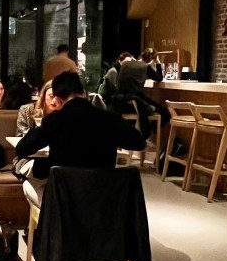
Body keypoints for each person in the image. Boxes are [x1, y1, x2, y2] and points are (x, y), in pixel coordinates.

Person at [15, 71, 146, 208]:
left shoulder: (54, 121)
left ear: (57, 99)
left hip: (65, 199)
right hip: (102, 199)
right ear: (83, 93)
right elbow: (139, 143)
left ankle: (53, 217)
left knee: (29, 185)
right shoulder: (110, 119)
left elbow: (22, 149)